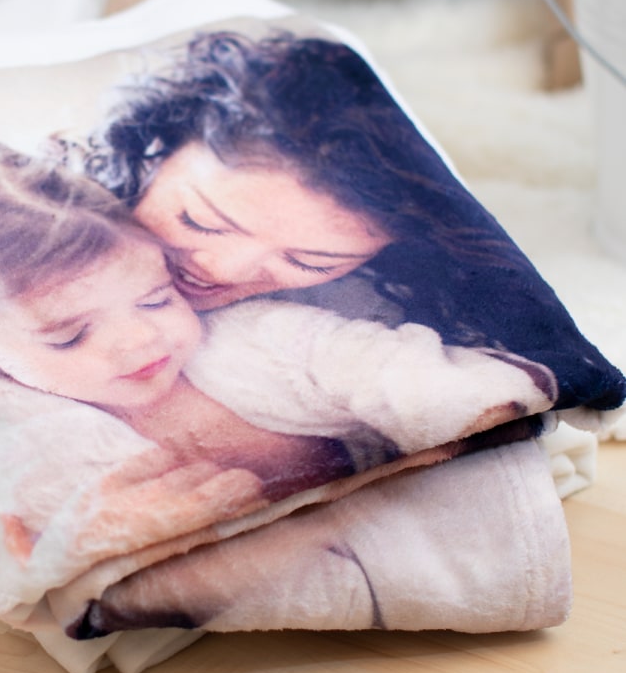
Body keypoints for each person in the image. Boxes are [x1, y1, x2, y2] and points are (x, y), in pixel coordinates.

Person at [0, 141, 556, 578]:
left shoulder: (253, 339)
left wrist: (464, 411)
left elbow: (386, 368)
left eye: (157, 298)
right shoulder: (12, 422)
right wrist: (67, 553)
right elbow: (30, 542)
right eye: (68, 336)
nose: (141, 342)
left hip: (407, 528)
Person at [87, 29, 625, 412]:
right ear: (152, 151)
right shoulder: (56, 205)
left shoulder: (372, 320)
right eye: (201, 221)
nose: (222, 269)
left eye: (307, 260)